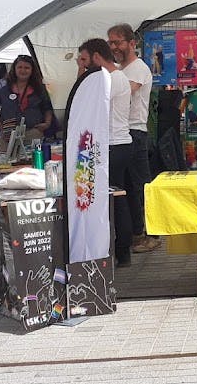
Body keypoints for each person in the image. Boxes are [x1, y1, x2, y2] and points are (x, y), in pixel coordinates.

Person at [82, 38, 135, 267]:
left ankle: (121, 251)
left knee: (115, 200)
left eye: (84, 60)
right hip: (119, 143)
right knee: (119, 198)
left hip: (113, 145)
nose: (82, 65)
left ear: (96, 56)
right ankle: (123, 251)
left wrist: (80, 74)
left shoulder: (109, 80)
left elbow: (85, 105)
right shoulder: (118, 77)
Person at [108, 23, 160, 254]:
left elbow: (120, 93)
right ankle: (135, 234)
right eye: (110, 42)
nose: (114, 47)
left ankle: (149, 233)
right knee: (126, 187)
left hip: (135, 132)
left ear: (132, 43)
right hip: (120, 133)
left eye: (117, 42)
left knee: (139, 185)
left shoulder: (138, 67)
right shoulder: (119, 70)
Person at [0, 55, 54, 152]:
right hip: (8, 134)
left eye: (27, 68)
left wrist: (47, 124)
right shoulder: (2, 85)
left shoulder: (39, 86)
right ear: (14, 68)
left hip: (33, 132)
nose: (23, 70)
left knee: (33, 163)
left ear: (32, 70)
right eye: (20, 67)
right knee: (5, 165)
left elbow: (47, 107)